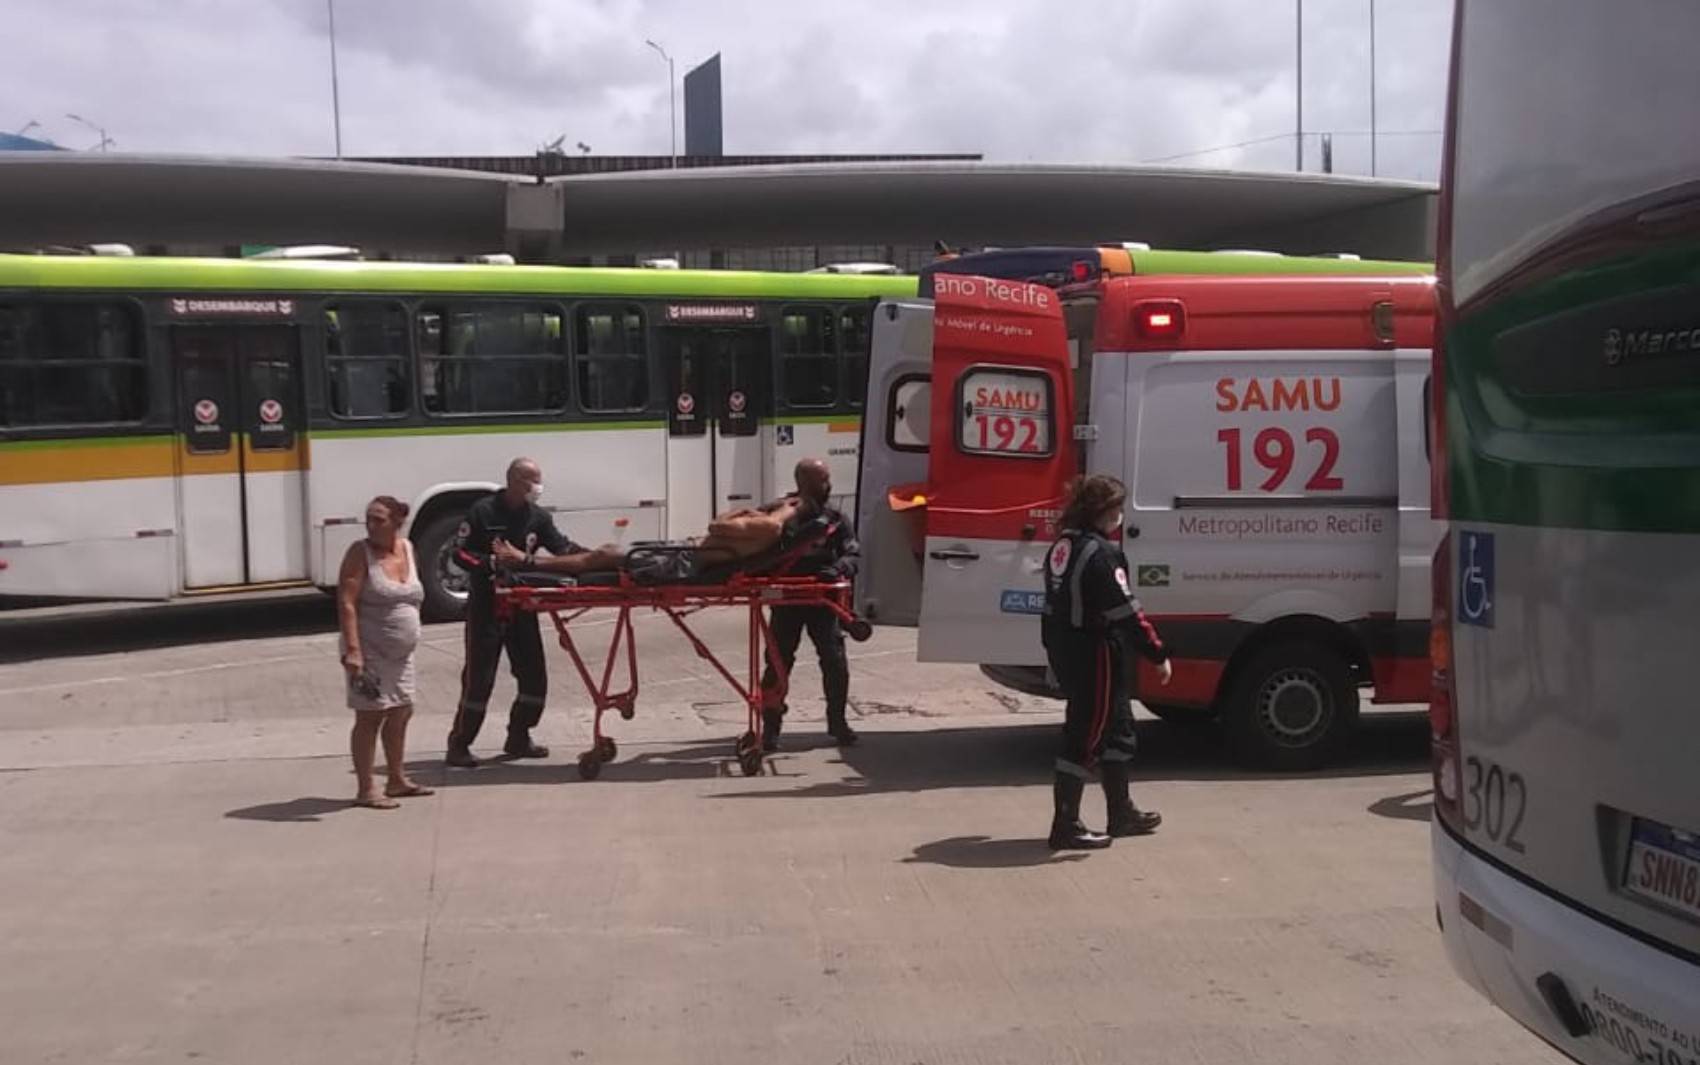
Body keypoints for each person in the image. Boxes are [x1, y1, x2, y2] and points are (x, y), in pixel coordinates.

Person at [445, 457, 622, 768]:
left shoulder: (537, 517)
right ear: (514, 481)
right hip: (487, 606)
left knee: (534, 676)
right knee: (478, 679)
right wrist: (491, 563)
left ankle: (519, 736)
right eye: (532, 480)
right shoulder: (483, 511)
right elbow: (459, 553)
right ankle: (459, 744)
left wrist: (596, 558)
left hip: (522, 605)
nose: (537, 487)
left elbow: (561, 548)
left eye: (538, 480)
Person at [1040, 473, 1172, 851]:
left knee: (1117, 727)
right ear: (1103, 509)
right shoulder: (1101, 553)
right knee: (1084, 736)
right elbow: (1128, 612)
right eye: (1117, 507)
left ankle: (1121, 812)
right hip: (1094, 652)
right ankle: (1066, 825)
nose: (1120, 515)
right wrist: (1157, 653)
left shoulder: (1063, 545)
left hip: (1067, 647)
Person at [757, 458, 861, 751]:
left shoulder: (835, 519)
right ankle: (770, 730)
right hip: (787, 601)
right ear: (804, 483)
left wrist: (838, 568)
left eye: (827, 479)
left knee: (834, 660)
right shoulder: (779, 515)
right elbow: (760, 551)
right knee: (777, 663)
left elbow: (853, 552)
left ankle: (838, 723)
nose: (828, 486)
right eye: (822, 480)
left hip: (822, 601)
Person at [337, 495, 433, 809]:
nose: (371, 525)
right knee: (370, 716)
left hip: (401, 655)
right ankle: (366, 788)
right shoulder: (359, 553)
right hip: (369, 650)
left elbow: (415, 597)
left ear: (397, 522)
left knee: (401, 711)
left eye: (379, 519)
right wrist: (354, 650)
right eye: (369, 519)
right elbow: (347, 602)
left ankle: (396, 779)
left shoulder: (407, 548)